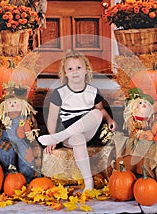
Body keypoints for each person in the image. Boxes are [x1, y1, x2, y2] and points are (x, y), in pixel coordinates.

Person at [38, 51, 117, 191]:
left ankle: (58, 136)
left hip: (89, 131)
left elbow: (101, 111)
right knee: (78, 137)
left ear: (86, 70)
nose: (75, 71)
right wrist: (54, 139)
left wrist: (110, 120)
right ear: (65, 73)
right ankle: (89, 183)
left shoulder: (92, 91)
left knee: (97, 114)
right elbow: (51, 118)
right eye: (70, 69)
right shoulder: (59, 93)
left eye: (79, 68)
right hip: (69, 136)